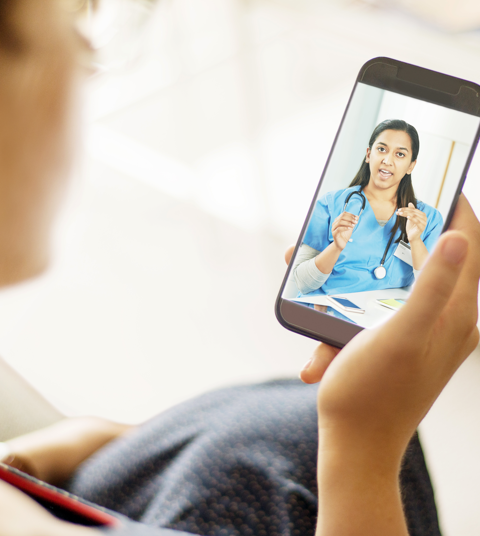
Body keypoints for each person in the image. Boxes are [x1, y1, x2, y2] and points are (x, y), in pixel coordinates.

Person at [0, 2, 479, 536]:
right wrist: (366, 448)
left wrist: (30, 460)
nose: (88, 63)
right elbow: (308, 281)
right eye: (74, 30)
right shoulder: (338, 204)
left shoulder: (424, 217)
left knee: (301, 416)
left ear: (413, 165)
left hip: (96, 483)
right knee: (315, 421)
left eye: (400, 153)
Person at [292, 120, 444, 297]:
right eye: (381, 149)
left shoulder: (429, 220)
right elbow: (303, 283)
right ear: (368, 154)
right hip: (326, 310)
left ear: (411, 165)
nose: (387, 160)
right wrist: (336, 247)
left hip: (383, 320)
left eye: (400, 154)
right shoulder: (331, 203)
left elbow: (433, 291)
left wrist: (416, 241)